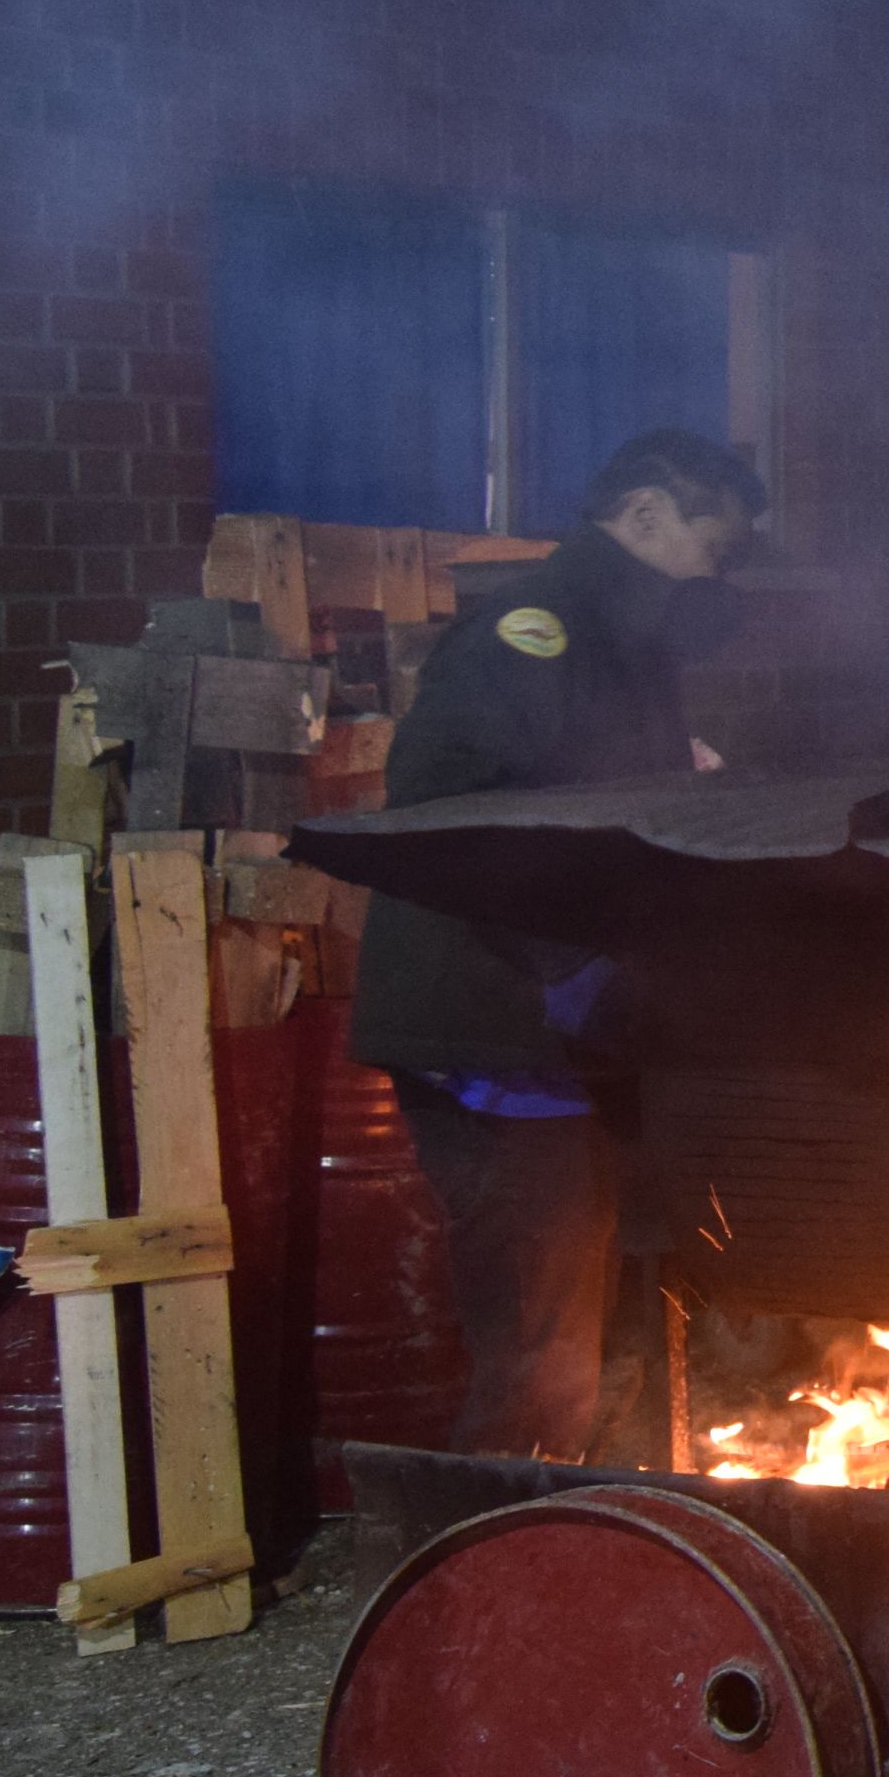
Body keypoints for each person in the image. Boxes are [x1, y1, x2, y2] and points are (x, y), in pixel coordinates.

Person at [353, 428, 765, 1460]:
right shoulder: (536, 629)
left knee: (586, 1320)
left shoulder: (619, 637)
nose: (723, 576)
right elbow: (440, 800)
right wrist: (565, 965)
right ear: (642, 518)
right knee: (535, 1338)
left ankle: (576, 1539)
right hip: (492, 1023)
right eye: (713, 549)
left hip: (555, 1031)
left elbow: (585, 788)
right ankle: (478, 1575)